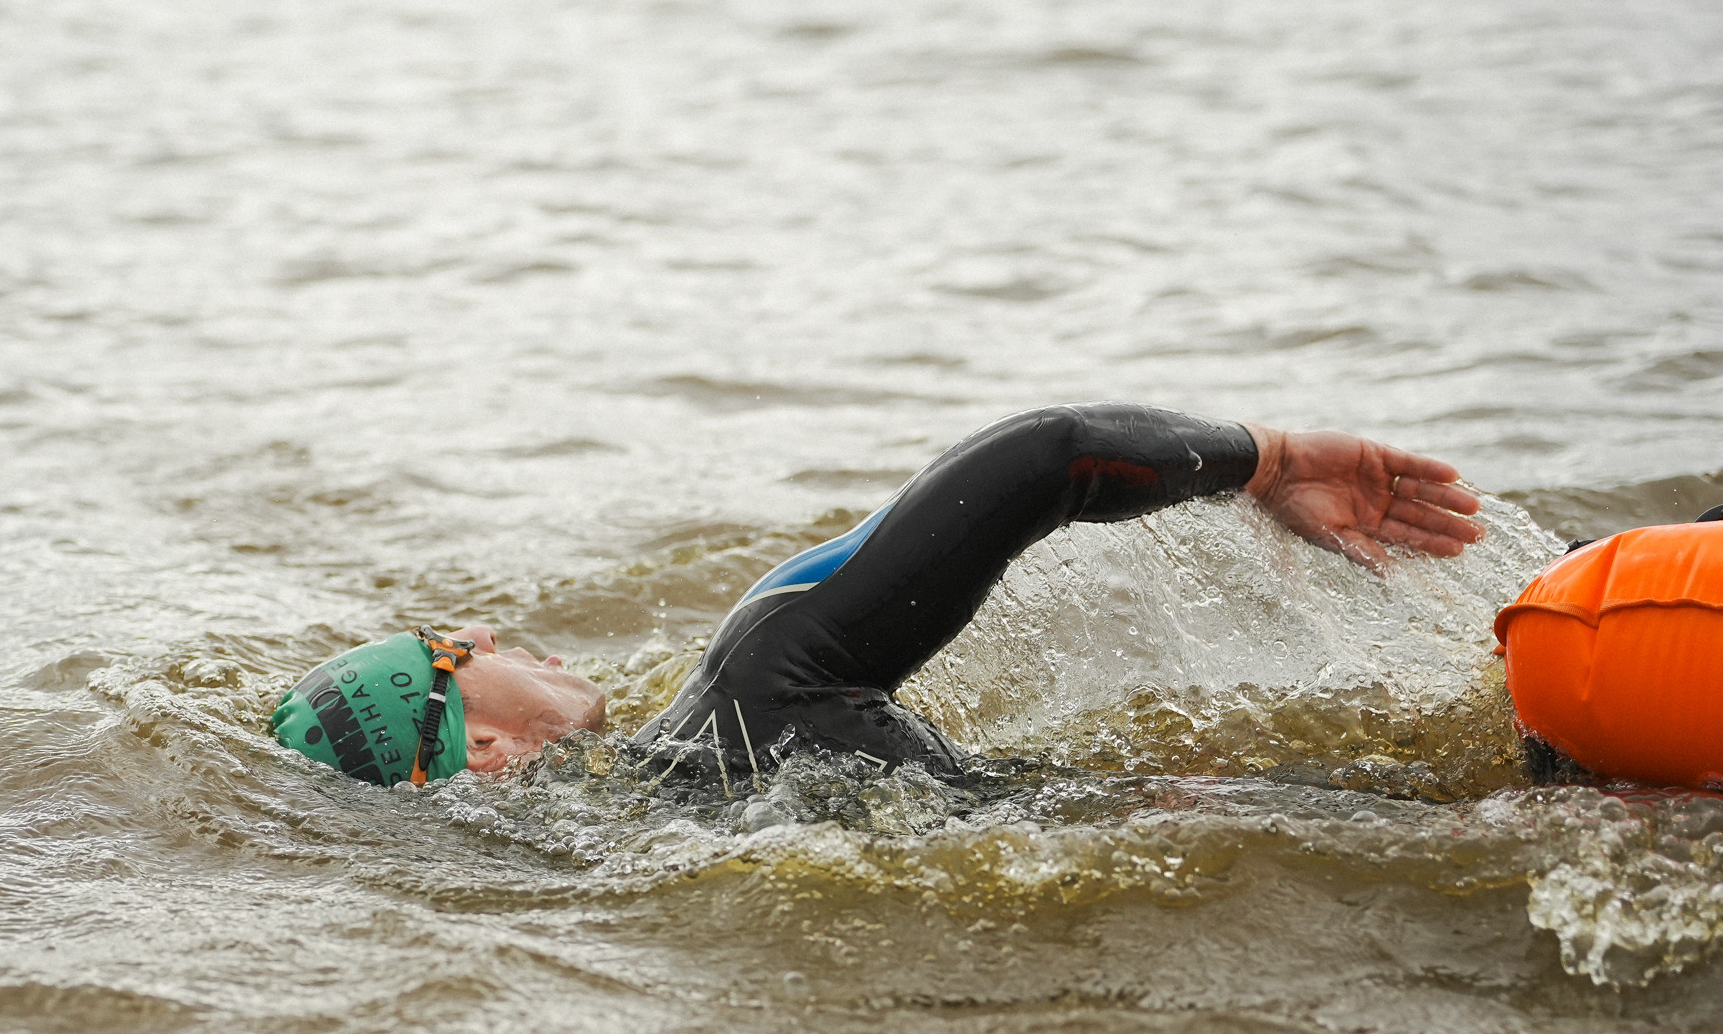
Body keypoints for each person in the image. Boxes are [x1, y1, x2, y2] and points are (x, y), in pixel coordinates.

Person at [269, 404, 1482, 789]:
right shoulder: (754, 685)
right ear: (484, 750)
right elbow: (1047, 458)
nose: (486, 629)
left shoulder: (674, 805)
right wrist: (1269, 461)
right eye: (449, 647)